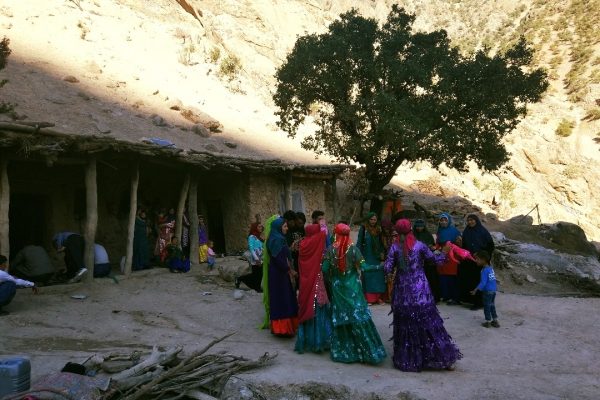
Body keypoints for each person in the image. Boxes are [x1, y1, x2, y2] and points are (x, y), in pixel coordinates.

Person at [384, 219, 462, 372]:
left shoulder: (394, 247)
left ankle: (408, 359)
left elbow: (387, 268)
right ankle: (443, 358)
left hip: (402, 293)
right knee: (429, 322)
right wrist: (445, 252)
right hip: (421, 291)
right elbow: (436, 260)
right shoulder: (420, 246)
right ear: (410, 229)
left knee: (406, 324)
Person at [322, 223, 386, 364]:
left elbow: (325, 269)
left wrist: (333, 274)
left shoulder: (329, 250)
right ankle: (368, 351)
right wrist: (379, 266)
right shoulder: (354, 250)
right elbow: (364, 267)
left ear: (336, 233)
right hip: (353, 289)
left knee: (342, 316)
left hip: (338, 289)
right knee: (358, 316)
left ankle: (344, 351)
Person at [295, 224, 332, 354]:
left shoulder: (303, 244)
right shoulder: (316, 242)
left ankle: (305, 341)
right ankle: (318, 342)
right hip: (316, 282)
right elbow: (324, 233)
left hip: (305, 282)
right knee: (318, 309)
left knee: (307, 307)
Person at [264, 217, 298, 336]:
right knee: (283, 299)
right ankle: (283, 329)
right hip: (279, 274)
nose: (287, 228)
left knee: (285, 298)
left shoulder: (277, 238)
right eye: (284, 226)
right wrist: (289, 270)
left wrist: (290, 249)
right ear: (279, 228)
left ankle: (285, 328)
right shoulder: (276, 240)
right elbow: (278, 259)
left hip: (280, 273)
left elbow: (281, 253)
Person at [460, 214, 495, 310]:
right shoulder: (466, 231)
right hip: (469, 260)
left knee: (479, 281)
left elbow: (490, 246)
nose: (470, 222)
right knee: (470, 280)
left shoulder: (482, 231)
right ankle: (470, 300)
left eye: (472, 220)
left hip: (480, 261)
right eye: (468, 220)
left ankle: (479, 303)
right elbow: (464, 245)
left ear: (476, 221)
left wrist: (481, 255)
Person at [357, 212, 386, 305]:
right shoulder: (364, 229)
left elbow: (382, 242)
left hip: (377, 256)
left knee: (378, 276)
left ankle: (378, 298)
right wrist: (359, 257)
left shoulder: (379, 229)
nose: (373, 221)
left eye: (375, 219)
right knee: (368, 275)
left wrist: (382, 254)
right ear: (368, 220)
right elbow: (359, 243)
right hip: (367, 256)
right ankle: (369, 299)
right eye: (371, 219)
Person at [436, 213, 462, 305]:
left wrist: (450, 247)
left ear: (449, 221)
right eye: (441, 220)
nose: (443, 222)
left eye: (445, 220)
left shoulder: (454, 231)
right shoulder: (439, 231)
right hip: (442, 255)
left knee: (452, 276)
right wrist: (438, 248)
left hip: (452, 256)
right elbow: (438, 243)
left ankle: (453, 297)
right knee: (442, 276)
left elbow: (459, 243)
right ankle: (445, 295)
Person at [413, 219, 441, 302]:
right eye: (417, 226)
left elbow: (432, 245)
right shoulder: (413, 235)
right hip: (416, 260)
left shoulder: (428, 234)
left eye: (421, 226)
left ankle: (433, 297)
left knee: (430, 278)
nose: (419, 228)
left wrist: (429, 247)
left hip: (428, 260)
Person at [470, 250, 500, 328]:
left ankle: (488, 321)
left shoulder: (484, 271)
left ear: (483, 260)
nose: (476, 261)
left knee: (486, 306)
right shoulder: (490, 268)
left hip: (487, 292)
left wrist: (475, 290)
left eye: (477, 259)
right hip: (493, 291)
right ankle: (495, 320)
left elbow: (483, 283)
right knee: (492, 305)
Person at [236, 222, 264, 292]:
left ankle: (257, 287)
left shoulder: (259, 237)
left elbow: (261, 247)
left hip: (262, 258)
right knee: (256, 274)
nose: (261, 228)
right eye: (259, 227)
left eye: (261, 227)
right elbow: (251, 249)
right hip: (256, 259)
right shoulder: (251, 237)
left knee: (259, 274)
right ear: (255, 228)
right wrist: (257, 259)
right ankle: (240, 278)